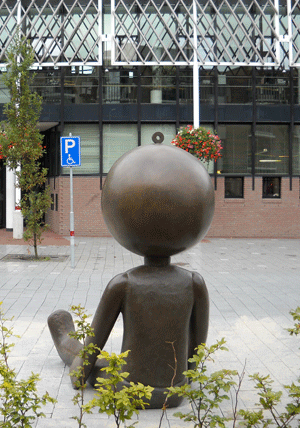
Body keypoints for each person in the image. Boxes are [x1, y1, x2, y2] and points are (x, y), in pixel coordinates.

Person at [48, 143, 215, 408]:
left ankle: (63, 335)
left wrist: (79, 374)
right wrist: (185, 376)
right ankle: (65, 335)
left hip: (130, 389)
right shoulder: (195, 283)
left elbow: (91, 353)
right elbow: (196, 353)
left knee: (84, 356)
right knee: (97, 358)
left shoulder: (123, 284)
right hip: (175, 392)